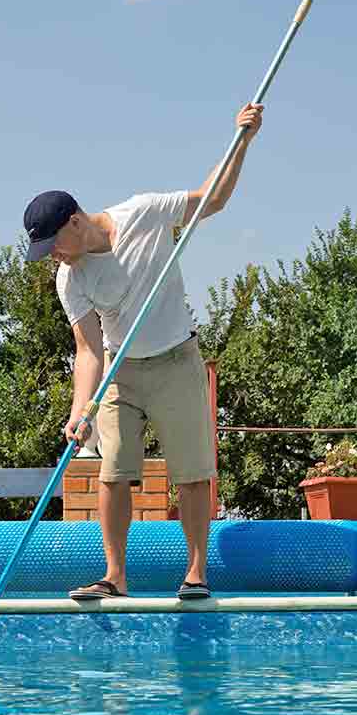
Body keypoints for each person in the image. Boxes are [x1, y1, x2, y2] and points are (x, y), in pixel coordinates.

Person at [20, 102, 264, 601]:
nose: (55, 258)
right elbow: (88, 350)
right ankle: (114, 577)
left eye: (55, 246)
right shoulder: (71, 278)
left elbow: (209, 200)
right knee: (113, 474)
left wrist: (243, 141)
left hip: (177, 360)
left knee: (192, 474)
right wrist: (79, 410)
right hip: (120, 373)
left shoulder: (142, 215)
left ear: (73, 222)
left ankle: (196, 574)